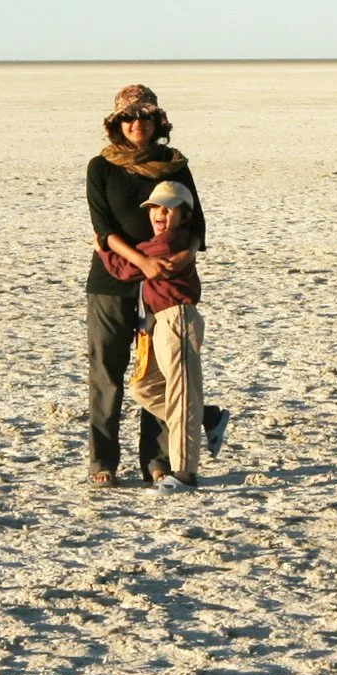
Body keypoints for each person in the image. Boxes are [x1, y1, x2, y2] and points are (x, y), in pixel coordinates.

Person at [86, 84, 210, 487]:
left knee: (159, 372)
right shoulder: (101, 167)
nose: (136, 123)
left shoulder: (174, 166)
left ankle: (157, 461)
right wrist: (143, 262)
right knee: (107, 371)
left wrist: (185, 256)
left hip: (164, 287)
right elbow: (103, 228)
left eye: (144, 116)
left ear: (158, 122)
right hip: (112, 282)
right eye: (128, 117)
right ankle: (103, 462)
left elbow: (197, 223)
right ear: (116, 123)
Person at [97, 182, 228, 490]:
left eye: (169, 209)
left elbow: (126, 268)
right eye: (155, 207)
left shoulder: (170, 242)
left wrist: (103, 247)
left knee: (181, 393)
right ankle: (206, 418)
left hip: (177, 318)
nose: (160, 214)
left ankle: (184, 473)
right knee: (143, 387)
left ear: (184, 216)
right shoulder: (163, 240)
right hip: (158, 321)